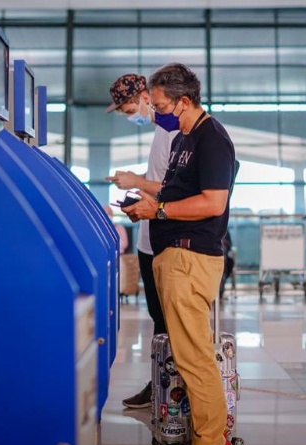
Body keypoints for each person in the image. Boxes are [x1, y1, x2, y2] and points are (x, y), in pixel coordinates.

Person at [122, 63, 236, 445]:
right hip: (172, 258)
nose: (156, 113)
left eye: (160, 106)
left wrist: (159, 212)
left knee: (194, 360)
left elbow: (213, 202)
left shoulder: (211, 138)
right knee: (187, 357)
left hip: (191, 260)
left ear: (183, 101)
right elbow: (176, 193)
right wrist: (148, 202)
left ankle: (210, 443)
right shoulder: (184, 139)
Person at [103, 73, 179, 409]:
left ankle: (172, 389)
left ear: (148, 96)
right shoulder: (160, 131)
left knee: (167, 321)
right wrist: (135, 187)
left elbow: (172, 187)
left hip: (165, 238)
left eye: (129, 106)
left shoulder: (174, 131)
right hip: (149, 239)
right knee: (157, 319)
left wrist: (137, 181)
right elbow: (157, 181)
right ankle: (162, 384)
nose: (127, 114)